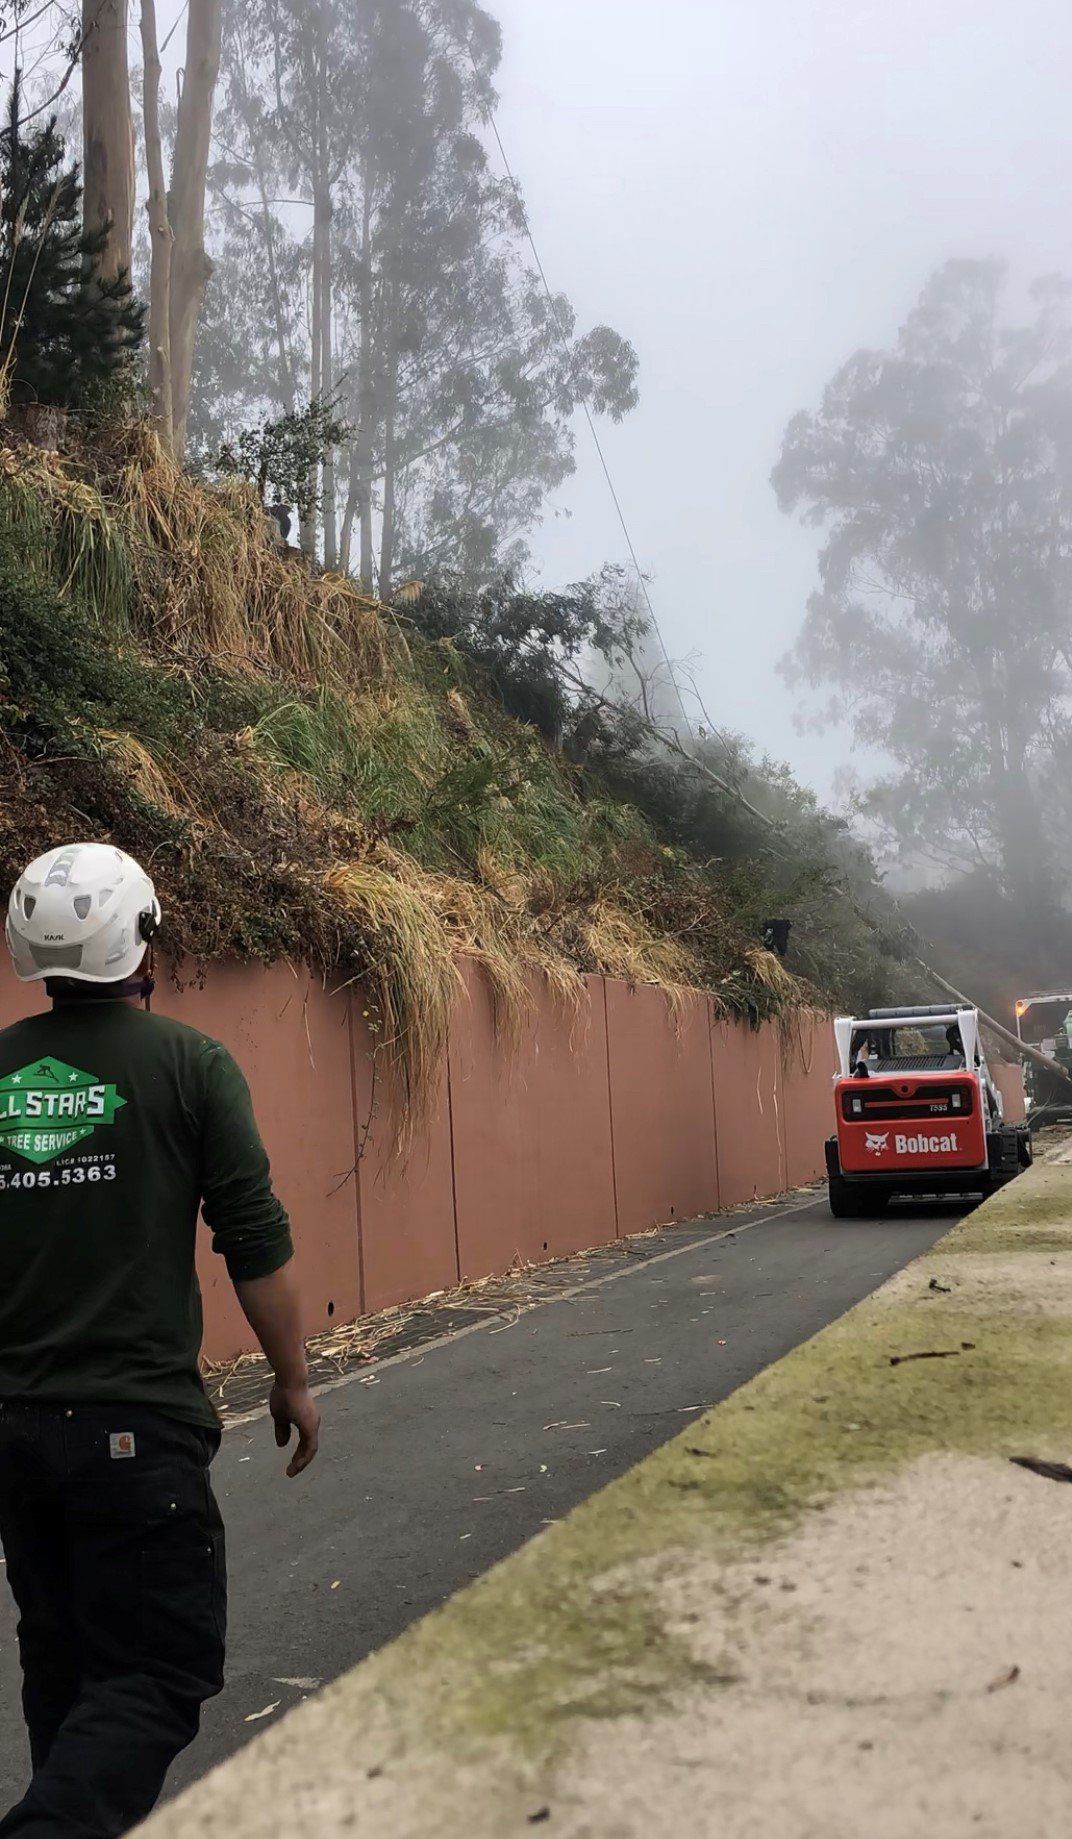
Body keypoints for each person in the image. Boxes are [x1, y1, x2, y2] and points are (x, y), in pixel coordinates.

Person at [0, 843, 321, 1837]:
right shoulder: (191, 1066)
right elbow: (255, 1244)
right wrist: (293, 1380)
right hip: (134, 1432)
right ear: (141, 941)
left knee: (66, 1669)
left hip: (15, 1436)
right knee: (156, 1668)